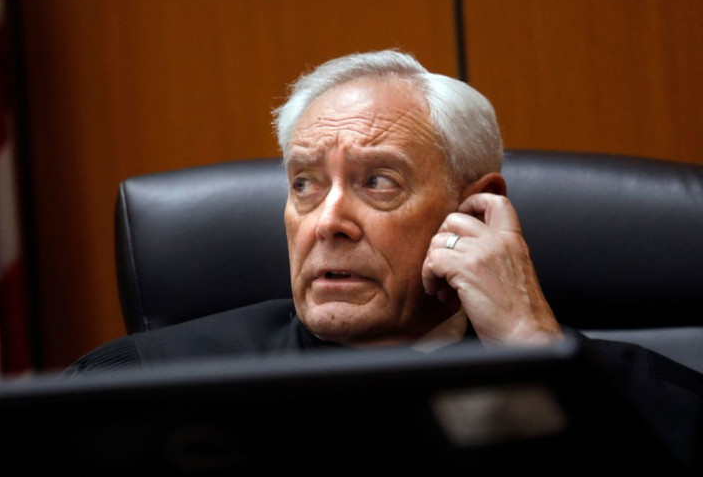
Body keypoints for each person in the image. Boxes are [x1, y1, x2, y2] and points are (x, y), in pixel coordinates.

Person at [65, 49, 702, 471]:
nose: (328, 222)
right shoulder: (145, 385)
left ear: (475, 210)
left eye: (378, 182)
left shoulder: (640, 397)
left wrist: (536, 349)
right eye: (305, 184)